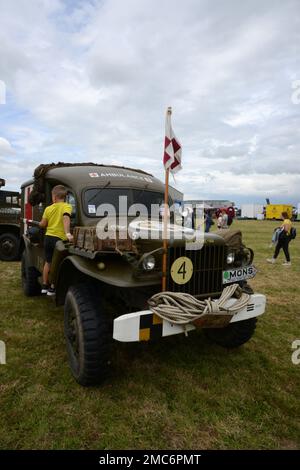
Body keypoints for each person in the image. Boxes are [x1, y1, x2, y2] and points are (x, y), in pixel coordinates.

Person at [39, 185, 73, 295]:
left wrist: (40, 223)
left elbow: (43, 224)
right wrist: (67, 233)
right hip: (59, 240)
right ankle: (52, 287)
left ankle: (44, 285)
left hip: (48, 238)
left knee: (48, 263)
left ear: (54, 197)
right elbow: (66, 217)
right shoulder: (67, 206)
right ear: (64, 196)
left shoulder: (48, 208)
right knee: (56, 264)